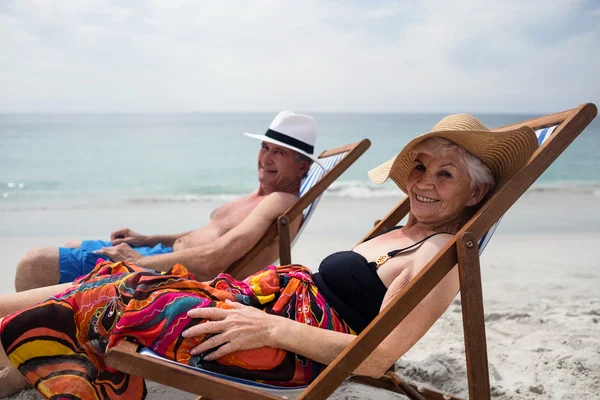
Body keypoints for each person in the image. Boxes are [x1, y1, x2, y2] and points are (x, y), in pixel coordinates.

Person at [0, 114, 538, 399]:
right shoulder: (404, 230)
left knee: (128, 293)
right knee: (117, 280)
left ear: (475, 195)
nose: (423, 183)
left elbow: (376, 356)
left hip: (279, 344)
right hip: (262, 307)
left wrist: (270, 329)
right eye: (420, 167)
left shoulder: (440, 256)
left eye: (446, 174)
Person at [14, 110, 321, 292]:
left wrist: (136, 262)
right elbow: (210, 234)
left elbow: (214, 259)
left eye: (278, 152)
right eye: (265, 148)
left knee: (34, 265)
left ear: (302, 167)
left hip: (167, 275)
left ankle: (37, 349)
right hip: (160, 256)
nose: (266, 158)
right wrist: (146, 239)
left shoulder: (279, 200)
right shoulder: (261, 195)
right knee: (67, 247)